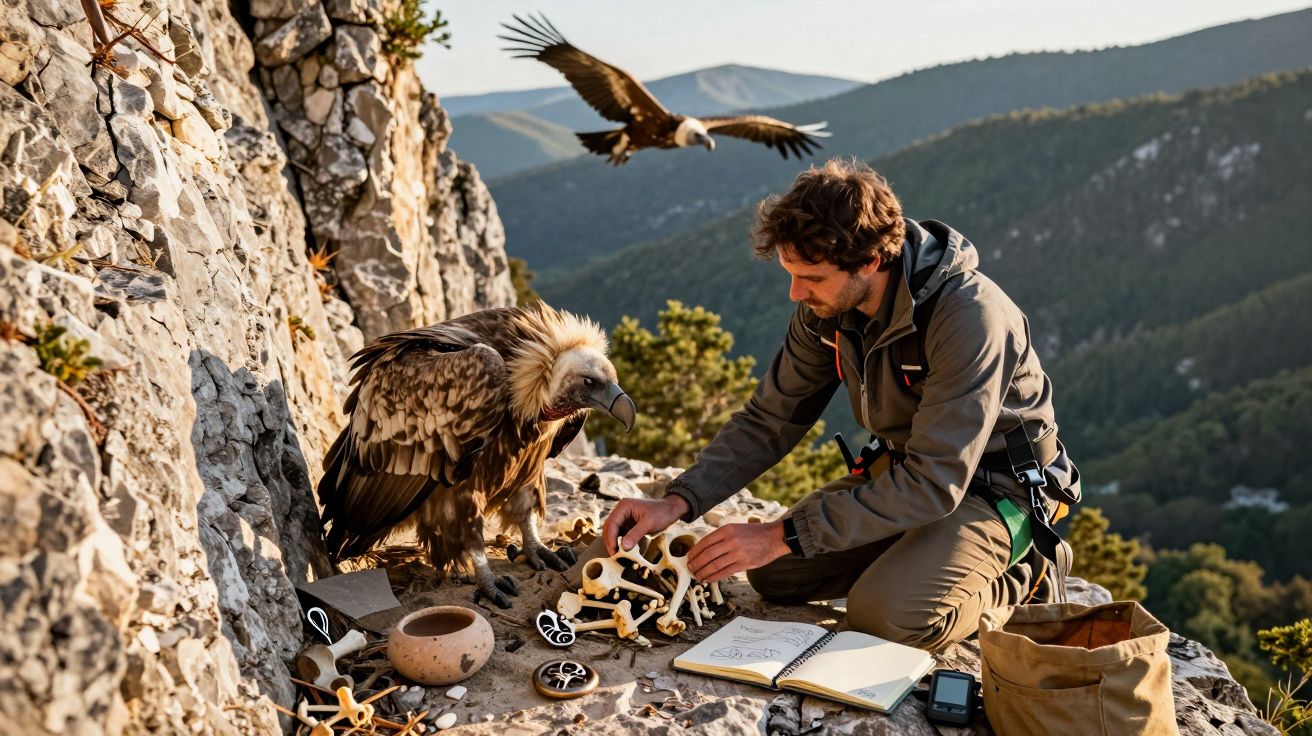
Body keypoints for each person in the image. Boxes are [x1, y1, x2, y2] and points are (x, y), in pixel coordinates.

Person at [602, 157, 1080, 651]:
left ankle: (1023, 576)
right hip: (907, 474)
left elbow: (936, 482)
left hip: (997, 491)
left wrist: (780, 534)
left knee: (886, 617)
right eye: (790, 273)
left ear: (870, 261)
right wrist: (678, 501)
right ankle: (917, 558)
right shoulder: (828, 309)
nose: (795, 293)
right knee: (776, 575)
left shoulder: (968, 318)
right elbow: (770, 419)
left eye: (811, 277)